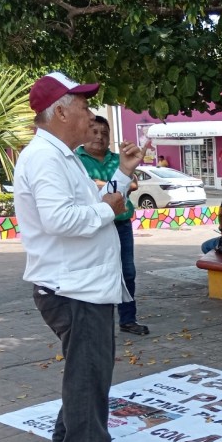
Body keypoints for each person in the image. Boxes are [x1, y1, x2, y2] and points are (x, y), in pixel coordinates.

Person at [13, 72, 140, 442]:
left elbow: (99, 198)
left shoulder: (60, 156)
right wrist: (106, 208)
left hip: (82, 285)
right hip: (75, 289)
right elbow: (63, 219)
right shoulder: (46, 158)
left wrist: (121, 174)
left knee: (84, 369)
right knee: (89, 372)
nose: (89, 114)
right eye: (83, 106)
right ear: (62, 111)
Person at [76, 116, 150, 336]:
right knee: (96, 273)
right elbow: (85, 186)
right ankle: (96, 322)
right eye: (95, 131)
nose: (99, 137)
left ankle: (128, 319)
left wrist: (102, 183)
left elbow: (134, 182)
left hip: (121, 224)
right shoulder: (75, 160)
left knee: (127, 271)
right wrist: (113, 182)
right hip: (94, 226)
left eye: (104, 133)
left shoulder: (119, 158)